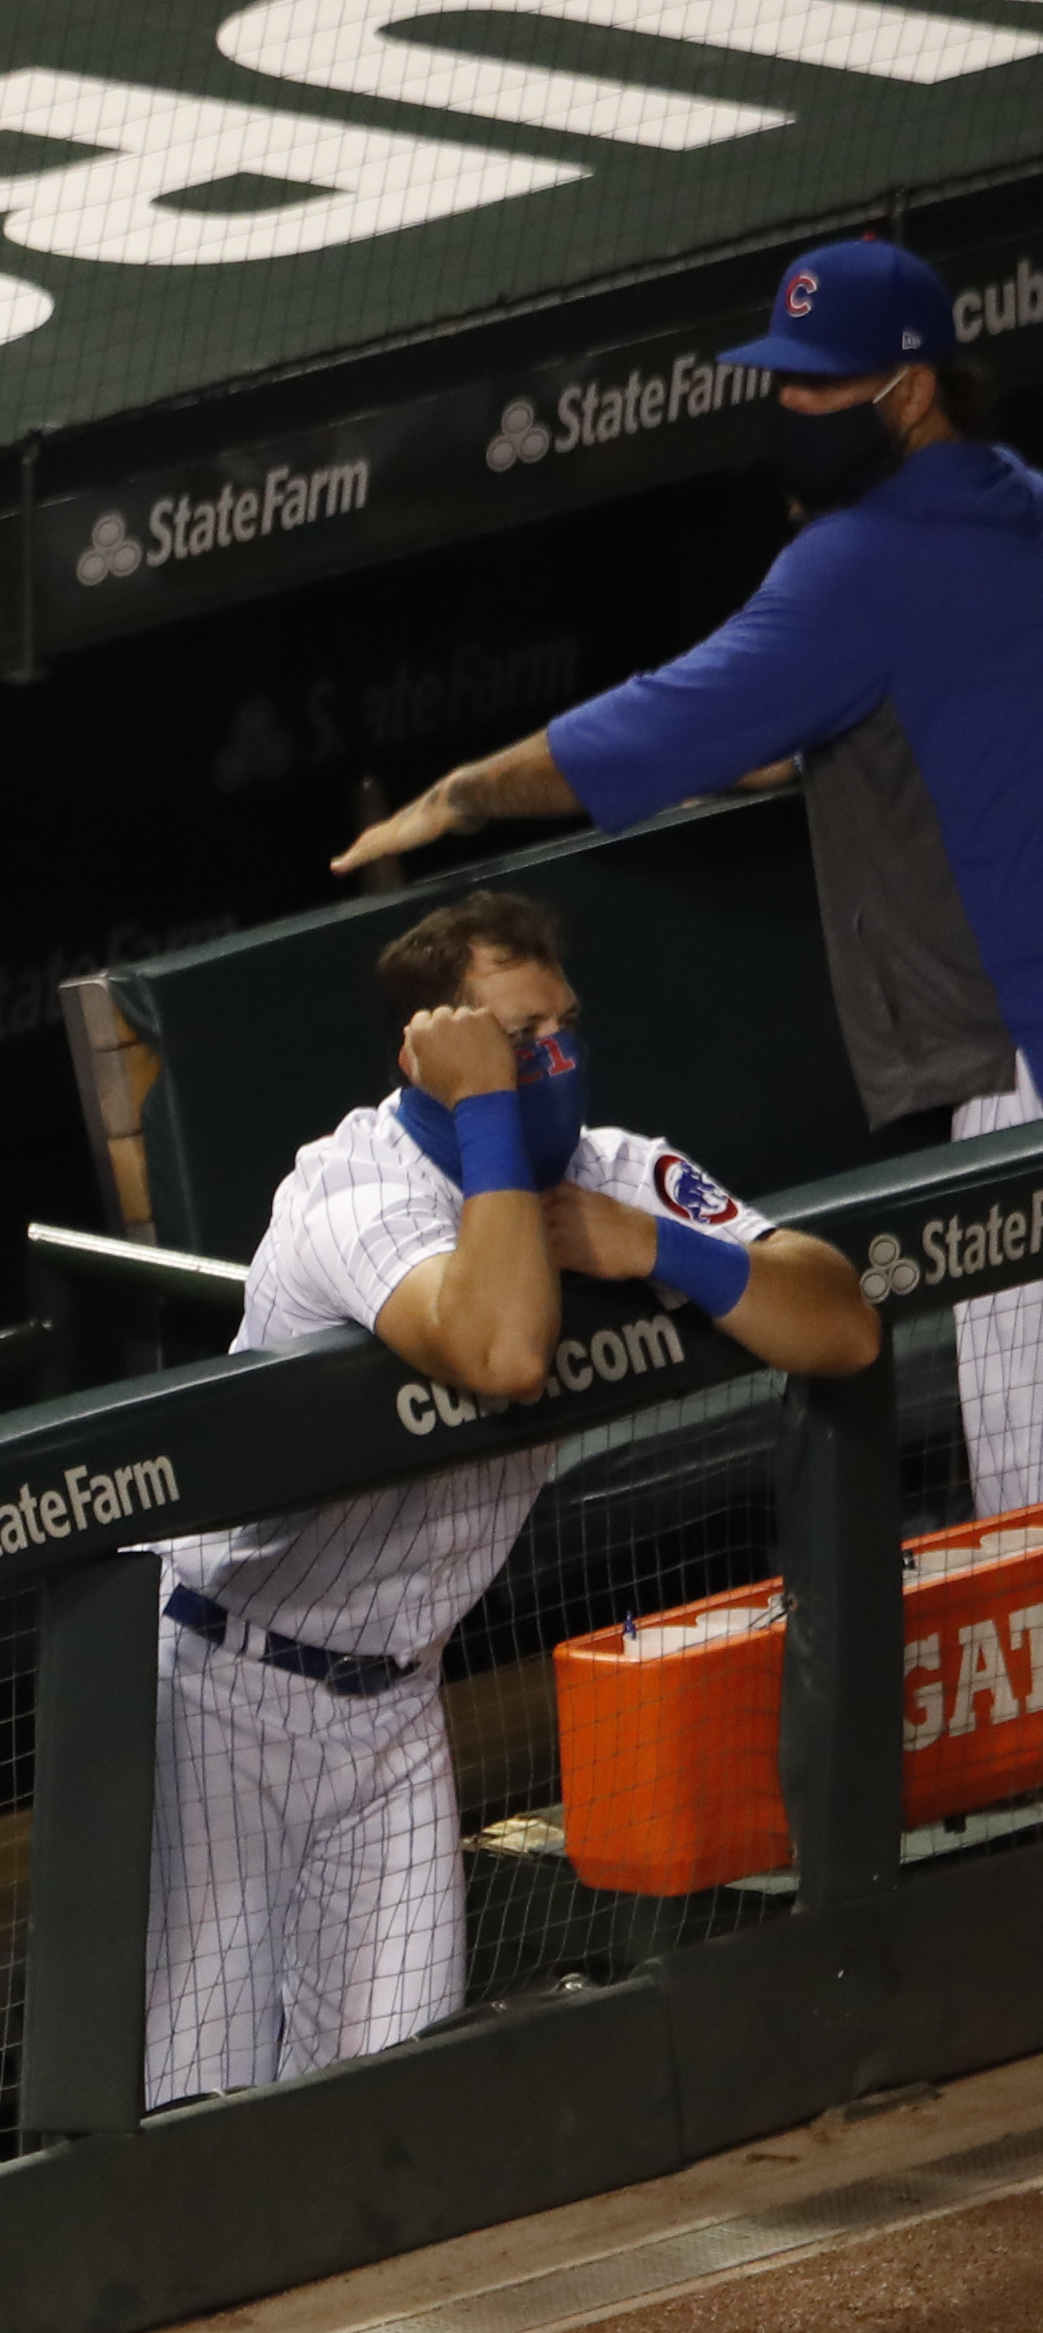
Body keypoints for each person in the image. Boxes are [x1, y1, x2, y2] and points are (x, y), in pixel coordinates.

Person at [337, 237, 1043, 1504]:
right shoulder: (1014, 501)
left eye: (825, 384)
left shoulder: (863, 560)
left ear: (915, 389)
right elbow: (861, 713)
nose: (795, 408)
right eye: (785, 378)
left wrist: (459, 796)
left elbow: (658, 729)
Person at [151, 892, 879, 2102]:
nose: (553, 1059)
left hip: (396, 1714)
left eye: (561, 1028)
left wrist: (661, 1249)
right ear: (434, 1056)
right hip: (227, 1693)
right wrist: (485, 1108)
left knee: (398, 2108)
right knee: (195, 2111)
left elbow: (842, 1319)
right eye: (512, 1038)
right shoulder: (350, 1195)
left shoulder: (611, 1175)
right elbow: (499, 1349)